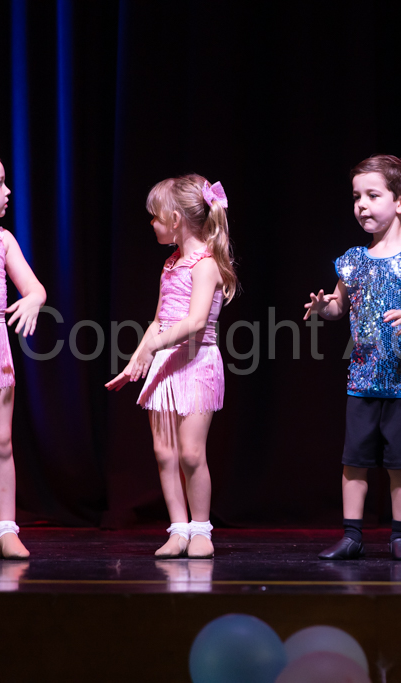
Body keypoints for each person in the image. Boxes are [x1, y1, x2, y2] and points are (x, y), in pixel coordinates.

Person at [306, 156, 401, 561]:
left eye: (372, 195)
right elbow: (340, 306)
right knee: (354, 460)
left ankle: (399, 535)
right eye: (356, 196)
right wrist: (324, 308)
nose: (361, 204)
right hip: (363, 378)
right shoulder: (353, 260)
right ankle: (352, 535)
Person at [106, 175, 236, 560]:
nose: (152, 223)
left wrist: (154, 347)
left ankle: (201, 528)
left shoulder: (206, 264)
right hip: (166, 363)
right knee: (165, 454)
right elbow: (160, 320)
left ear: (175, 219)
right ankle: (178, 529)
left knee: (191, 454)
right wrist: (138, 358)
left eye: (155, 216)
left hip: (196, 363)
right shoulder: (170, 263)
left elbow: (195, 322)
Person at [0, 152, 47, 559]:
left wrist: (34, 299)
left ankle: (6, 529)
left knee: (0, 440)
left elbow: (35, 287)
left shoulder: (4, 240)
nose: (8, 190)